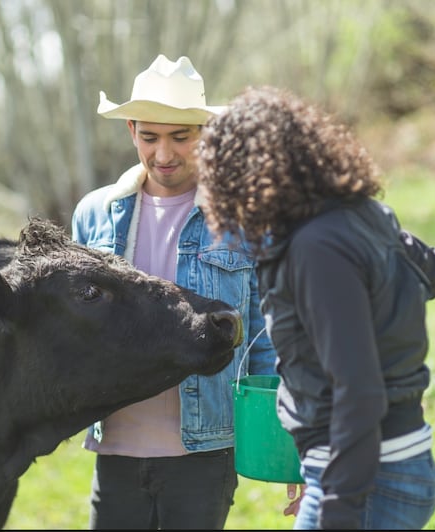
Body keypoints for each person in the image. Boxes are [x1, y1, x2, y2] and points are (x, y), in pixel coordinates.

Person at [196, 85, 435, 530]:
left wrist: (338, 502)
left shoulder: (316, 248)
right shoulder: (355, 217)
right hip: (385, 464)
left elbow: (359, 390)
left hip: (370, 478)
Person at [71, 55, 280, 529]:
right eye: (150, 137)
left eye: (180, 137)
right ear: (131, 131)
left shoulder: (243, 217)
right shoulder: (94, 214)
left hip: (204, 450)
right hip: (117, 445)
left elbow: (265, 340)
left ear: (205, 134)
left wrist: (290, 450)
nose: (163, 154)